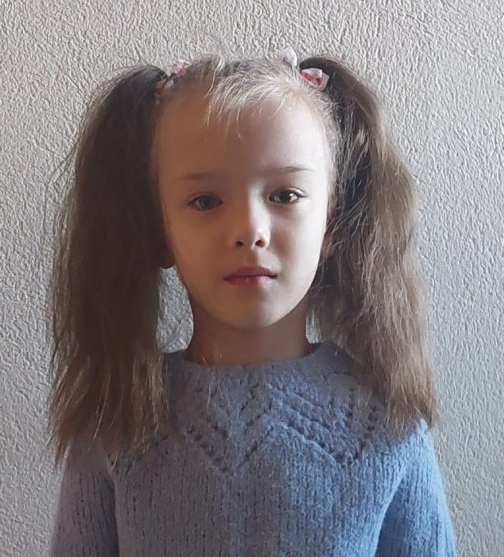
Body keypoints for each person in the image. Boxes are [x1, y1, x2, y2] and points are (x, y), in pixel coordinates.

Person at [48, 46, 457, 556]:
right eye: (205, 201)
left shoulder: (386, 419)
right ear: (158, 229)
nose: (249, 230)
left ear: (331, 222)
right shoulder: (117, 420)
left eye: (285, 195)